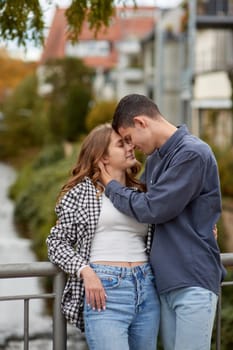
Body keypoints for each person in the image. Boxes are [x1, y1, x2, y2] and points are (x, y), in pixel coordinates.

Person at [99, 94, 226, 350]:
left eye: (129, 139)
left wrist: (110, 186)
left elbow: (151, 208)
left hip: (192, 280)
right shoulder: (156, 159)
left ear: (141, 122)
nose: (131, 147)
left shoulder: (192, 154)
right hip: (164, 282)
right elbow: (137, 202)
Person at [46, 123, 160, 350]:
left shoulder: (142, 193)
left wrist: (200, 228)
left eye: (129, 142)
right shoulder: (81, 192)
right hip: (105, 290)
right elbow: (56, 242)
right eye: (121, 144)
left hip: (147, 287)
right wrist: (85, 271)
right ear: (103, 158)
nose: (131, 148)